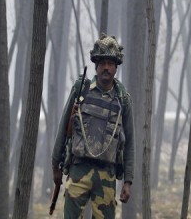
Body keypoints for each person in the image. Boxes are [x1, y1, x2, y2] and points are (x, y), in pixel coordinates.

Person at [51, 33, 135, 218]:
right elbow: (63, 128)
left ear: (116, 67)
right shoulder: (81, 91)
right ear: (96, 65)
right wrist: (55, 165)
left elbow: (129, 143)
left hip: (107, 174)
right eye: (103, 63)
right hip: (78, 168)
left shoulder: (122, 99)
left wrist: (128, 181)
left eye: (111, 63)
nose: (106, 68)